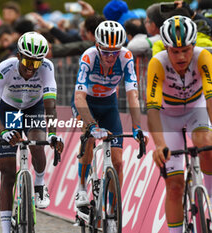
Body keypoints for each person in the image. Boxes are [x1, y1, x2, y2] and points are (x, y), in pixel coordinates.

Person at [0, 31, 64, 233]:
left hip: (33, 107)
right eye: (28, 61)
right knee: (8, 172)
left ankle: (39, 183)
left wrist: (52, 133)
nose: (31, 68)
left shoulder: (47, 67)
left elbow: (51, 107)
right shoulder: (5, 68)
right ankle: (5, 228)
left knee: (38, 143)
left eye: (36, 63)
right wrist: (3, 133)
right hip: (9, 109)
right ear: (19, 55)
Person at [72, 20, 148, 210]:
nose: (111, 56)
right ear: (97, 46)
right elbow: (79, 97)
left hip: (109, 105)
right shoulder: (88, 57)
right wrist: (90, 125)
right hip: (86, 104)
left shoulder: (126, 57)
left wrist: (137, 127)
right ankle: (81, 188)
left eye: (115, 51)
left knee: (118, 162)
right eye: (106, 51)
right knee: (89, 139)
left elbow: (133, 94)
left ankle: (112, 212)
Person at [147, 15, 212, 233]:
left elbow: (211, 100)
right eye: (174, 51)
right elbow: (153, 109)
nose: (181, 56)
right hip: (168, 118)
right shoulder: (157, 63)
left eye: (186, 49)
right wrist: (158, 145)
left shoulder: (203, 57)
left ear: (193, 45)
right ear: (166, 48)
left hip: (197, 110)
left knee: (206, 143)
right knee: (174, 186)